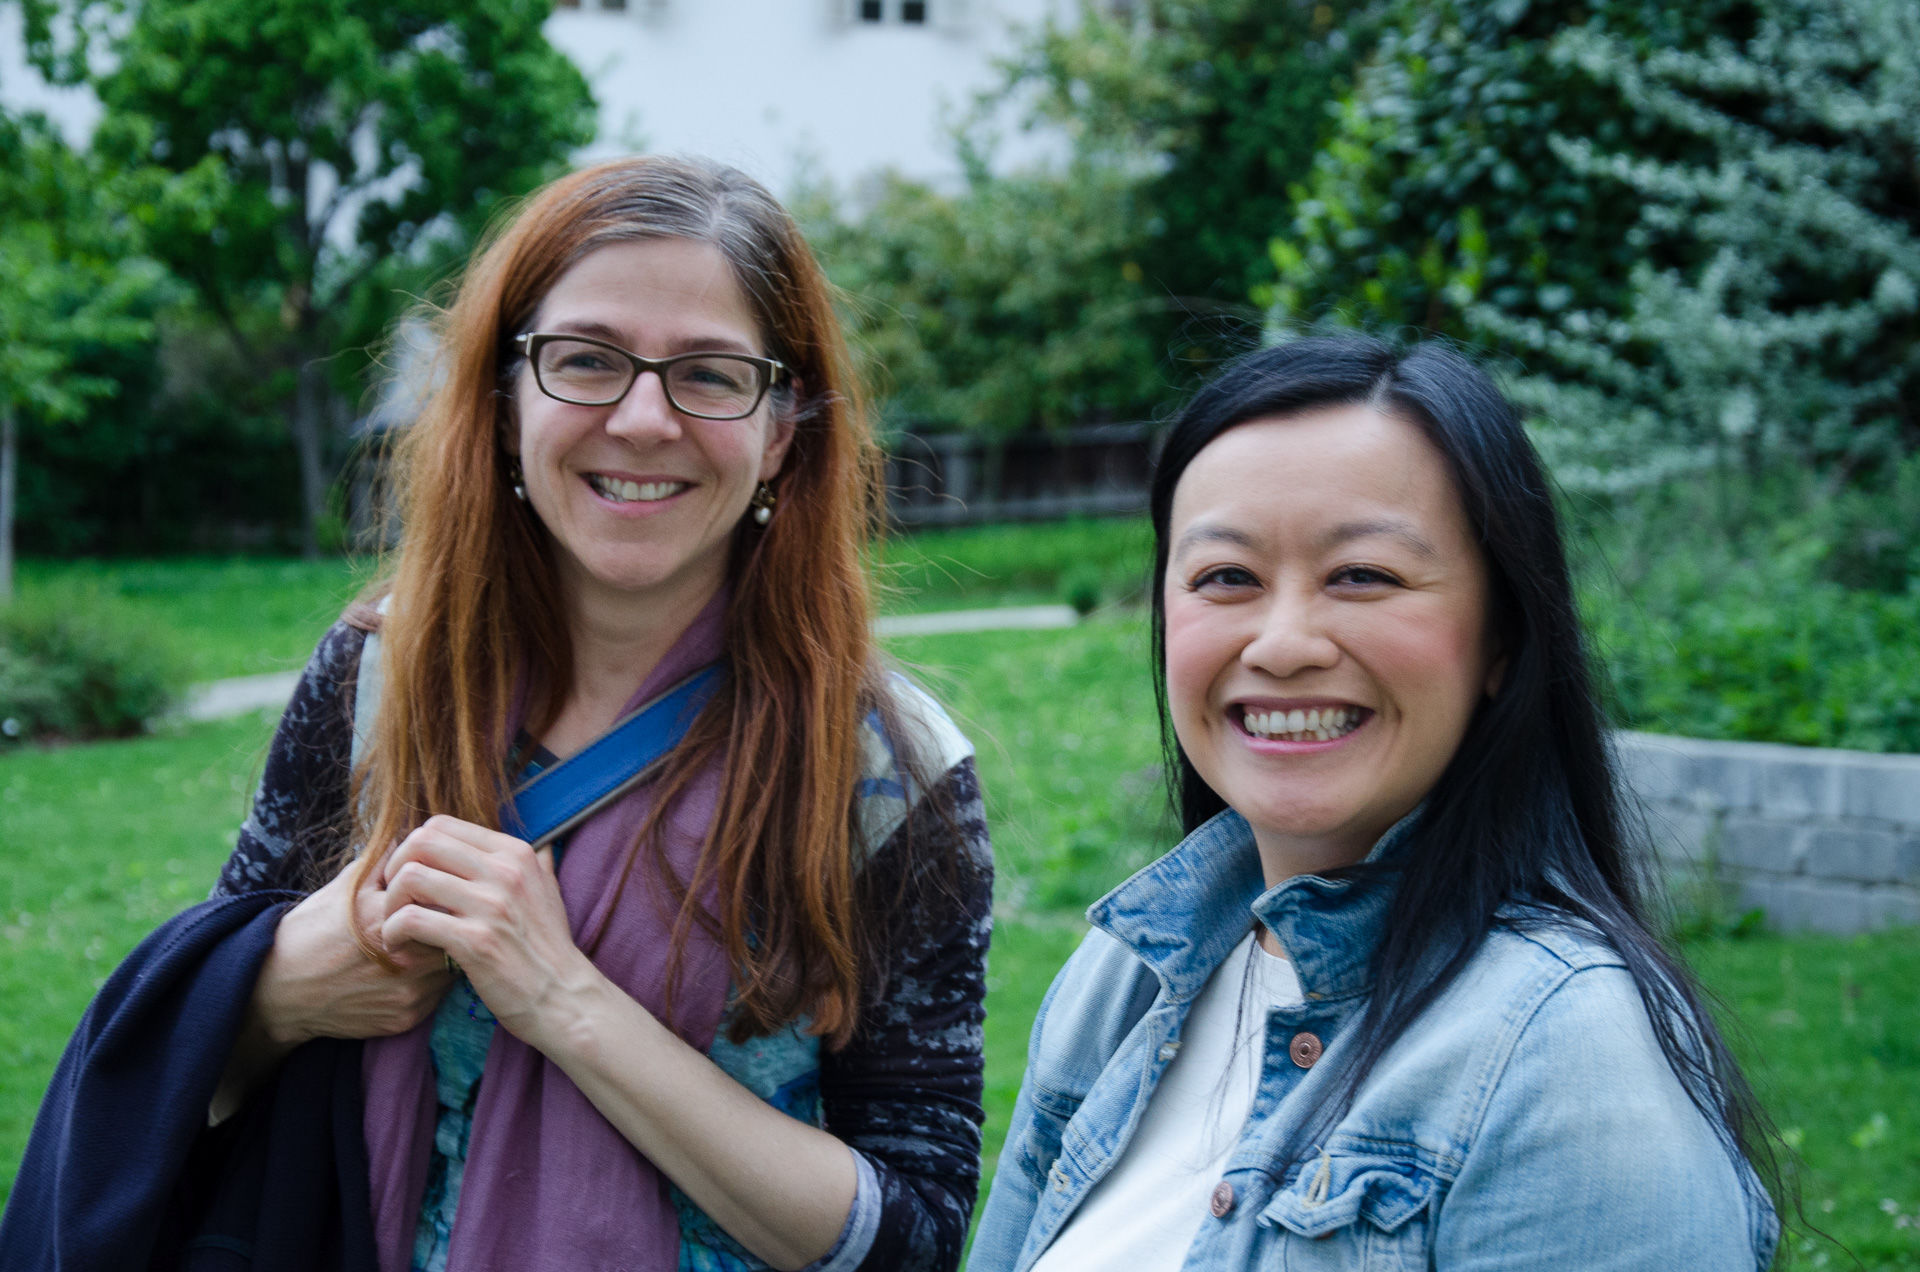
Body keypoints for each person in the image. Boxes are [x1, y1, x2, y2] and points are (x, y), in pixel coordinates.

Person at [206, 155, 993, 1271]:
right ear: (505, 401)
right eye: (585, 360)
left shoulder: (884, 771)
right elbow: (192, 1079)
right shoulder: (378, 680)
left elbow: (913, 1235)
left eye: (710, 374)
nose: (642, 419)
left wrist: (564, 999)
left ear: (781, 431)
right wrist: (286, 984)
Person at [966, 336, 1780, 1271]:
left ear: (1503, 639)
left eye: (1363, 575)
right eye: (1226, 577)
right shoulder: (1127, 973)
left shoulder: (1569, 1059)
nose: (1282, 644)